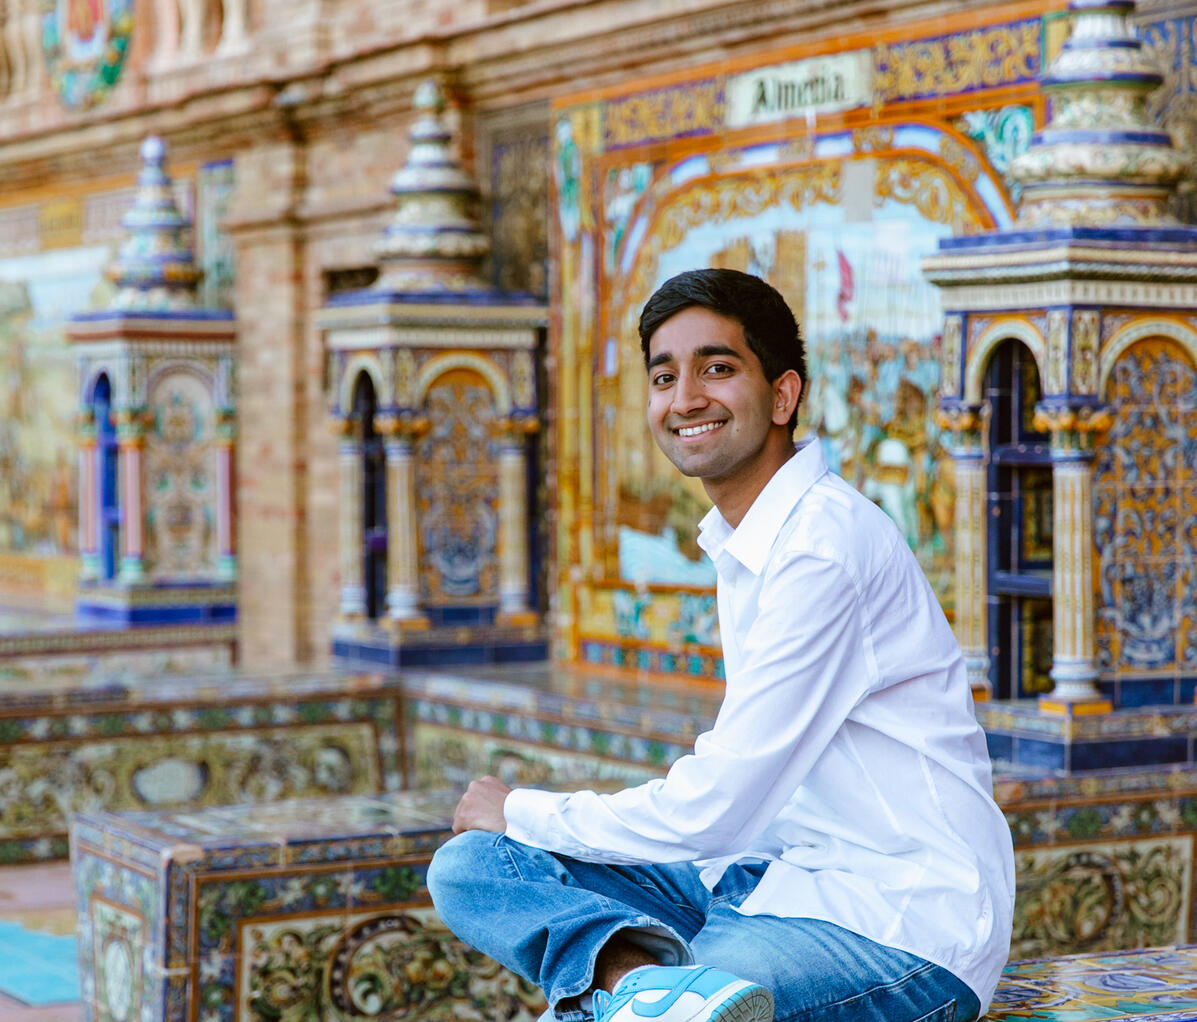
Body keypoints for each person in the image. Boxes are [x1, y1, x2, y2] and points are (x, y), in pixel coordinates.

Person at [427, 268, 1015, 1022]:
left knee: (705, 985)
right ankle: (640, 985)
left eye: (716, 368)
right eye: (664, 376)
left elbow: (716, 807)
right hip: (764, 881)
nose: (685, 399)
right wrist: (520, 827)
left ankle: (657, 996)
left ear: (782, 396)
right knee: (476, 867)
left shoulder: (821, 548)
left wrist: (523, 808)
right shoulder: (748, 539)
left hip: (896, 922)